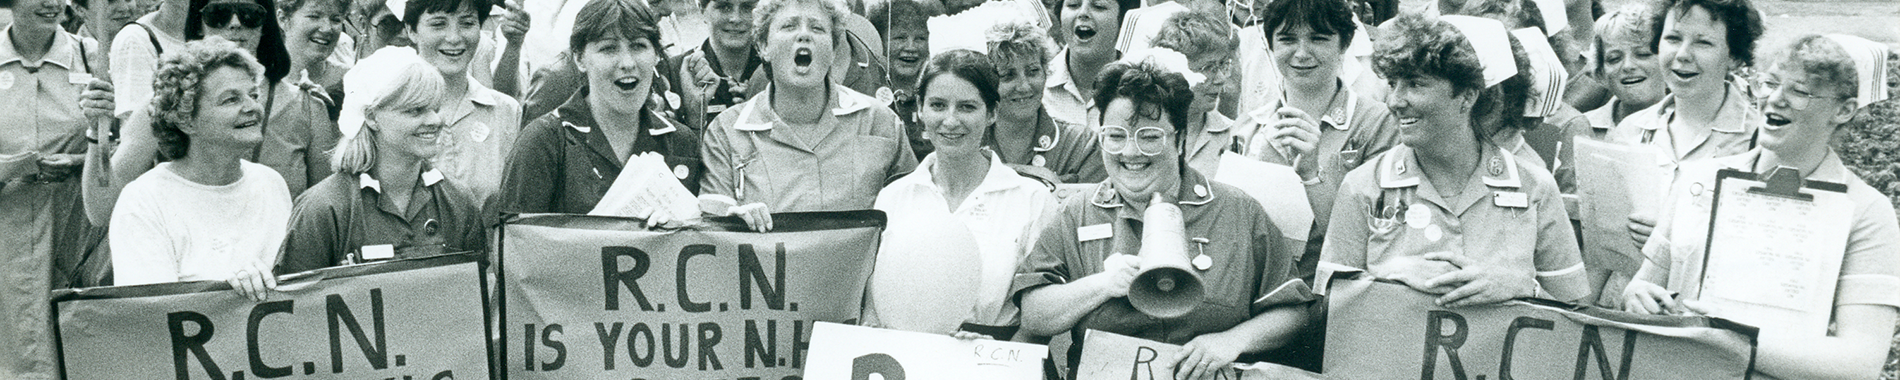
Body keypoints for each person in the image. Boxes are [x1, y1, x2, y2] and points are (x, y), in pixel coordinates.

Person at [1012, 57, 1312, 380]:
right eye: (1115, 136)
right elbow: (1033, 315)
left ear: (1180, 139)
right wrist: (1102, 285)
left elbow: (1293, 311)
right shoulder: (1078, 212)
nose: (1130, 152)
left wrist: (1232, 341)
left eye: (1150, 137)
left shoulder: (1238, 210)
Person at [1621, 34, 1897, 380]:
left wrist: (1733, 338)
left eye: (1799, 92)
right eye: (1768, 83)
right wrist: (1638, 297)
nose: (1774, 99)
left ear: (1843, 110)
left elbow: (1859, 362)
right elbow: (1640, 286)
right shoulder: (1700, 178)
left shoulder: (1866, 211)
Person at [1320, 13, 1589, 307]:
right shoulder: (1362, 186)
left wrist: (1524, 287)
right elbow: (1328, 308)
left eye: (1415, 84)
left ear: (1467, 96)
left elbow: (1576, 312)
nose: (1395, 101)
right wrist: (1384, 279)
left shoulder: (1534, 186)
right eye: (1393, 83)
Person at [87, 0, 332, 223]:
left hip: (273, 263)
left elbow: (321, 220)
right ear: (199, 23)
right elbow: (101, 210)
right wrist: (95, 133)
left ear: (265, 24)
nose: (235, 24)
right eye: (219, 14)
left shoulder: (307, 107)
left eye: (249, 15)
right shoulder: (167, 102)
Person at [869, 50, 1055, 340]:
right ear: (920, 109)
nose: (951, 120)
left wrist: (989, 356)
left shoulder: (1032, 199)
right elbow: (874, 310)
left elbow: (1038, 322)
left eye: (967, 107)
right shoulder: (893, 198)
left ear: (992, 112)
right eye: (938, 105)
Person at [696, 0, 916, 232]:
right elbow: (710, 230)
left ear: (833, 50)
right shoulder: (726, 131)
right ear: (763, 46)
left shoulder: (881, 122)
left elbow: (915, 213)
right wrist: (731, 222)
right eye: (789, 26)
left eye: (817, 28)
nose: (803, 35)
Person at [109, 38, 292, 301]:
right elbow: (150, 315)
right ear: (185, 119)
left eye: (253, 95)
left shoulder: (270, 183)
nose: (252, 107)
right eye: (230, 99)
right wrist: (226, 294)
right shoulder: (143, 200)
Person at [278, 46, 484, 274]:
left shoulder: (458, 201)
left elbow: (477, 296)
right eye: (416, 111)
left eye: (436, 108)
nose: (434, 120)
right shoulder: (324, 208)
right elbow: (298, 303)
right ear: (372, 117)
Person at [1236, 0, 1399, 276]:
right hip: (1255, 288)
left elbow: (1371, 241)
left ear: (1344, 45)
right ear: (1270, 44)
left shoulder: (1378, 123)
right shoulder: (1249, 127)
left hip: (1331, 296)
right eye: (1287, 39)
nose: (1301, 53)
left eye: (1318, 39)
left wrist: (1312, 177)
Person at [500, 0, 702, 215]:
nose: (627, 63)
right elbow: (514, 240)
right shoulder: (543, 141)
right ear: (579, 59)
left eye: (638, 46)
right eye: (608, 48)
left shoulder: (681, 142)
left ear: (657, 54)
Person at [1613, 0, 1764, 251]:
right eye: (1673, 38)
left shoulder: (1757, 140)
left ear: (1735, 57)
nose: (1682, 54)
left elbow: (1762, 244)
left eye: (1703, 42)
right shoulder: (1630, 131)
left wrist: (1675, 236)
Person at [0, 0, 99, 375]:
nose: (52, 3)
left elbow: (128, 149)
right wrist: (11, 166)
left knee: (74, 345)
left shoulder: (92, 58)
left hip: (74, 226)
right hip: (6, 233)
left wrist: (77, 162)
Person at [401, 0, 523, 205]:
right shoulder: (387, 109)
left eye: (467, 24)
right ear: (411, 30)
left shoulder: (506, 111)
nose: (454, 38)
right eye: (438, 24)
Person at [982, 16, 1104, 184]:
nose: (1024, 86)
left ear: (1046, 72)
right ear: (986, 84)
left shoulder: (1082, 145)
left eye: (1032, 71)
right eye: (1008, 75)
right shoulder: (967, 142)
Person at [667, 0, 761, 132]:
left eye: (747, 7)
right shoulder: (672, 72)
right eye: (724, 7)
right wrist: (694, 116)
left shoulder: (776, 71)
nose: (736, 18)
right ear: (702, 9)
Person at [1042, 0, 1139, 125]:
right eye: (1073, 5)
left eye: (1099, 6)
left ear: (1123, 19)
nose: (1083, 13)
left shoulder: (1142, 89)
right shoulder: (1036, 84)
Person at [866, 0, 934, 159]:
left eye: (920, 39)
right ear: (879, 42)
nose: (911, 47)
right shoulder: (866, 90)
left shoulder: (936, 89)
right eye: (900, 38)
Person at [1581, 4, 1667, 131]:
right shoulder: (1583, 128)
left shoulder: (1690, 127)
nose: (1628, 66)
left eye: (1642, 54)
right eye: (1614, 59)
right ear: (1600, 73)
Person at [73, 0, 138, 72]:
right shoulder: (73, 58)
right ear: (79, 9)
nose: (124, 8)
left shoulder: (145, 44)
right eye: (110, 1)